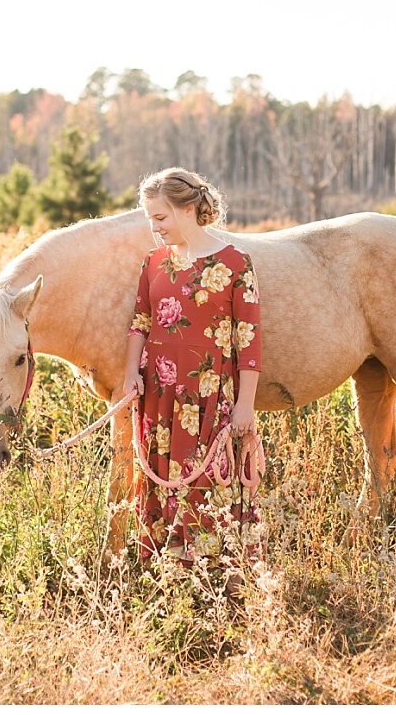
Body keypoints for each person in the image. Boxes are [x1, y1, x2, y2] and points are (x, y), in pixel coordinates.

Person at [123, 167, 263, 569]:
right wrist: (132, 373)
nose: (154, 227)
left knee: (207, 479)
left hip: (209, 395)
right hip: (158, 393)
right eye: (149, 219)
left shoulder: (236, 263)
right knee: (159, 475)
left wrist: (245, 406)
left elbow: (248, 340)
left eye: (160, 217)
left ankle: (212, 572)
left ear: (187, 210)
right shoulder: (153, 262)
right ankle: (165, 568)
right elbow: (141, 321)